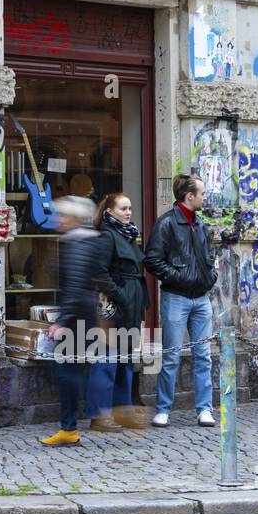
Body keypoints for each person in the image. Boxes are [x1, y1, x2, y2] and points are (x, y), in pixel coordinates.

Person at [143, 174, 218, 427]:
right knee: (171, 355)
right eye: (202, 193)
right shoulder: (166, 224)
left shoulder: (200, 225)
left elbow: (209, 257)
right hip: (175, 297)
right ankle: (163, 408)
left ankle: (204, 409)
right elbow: (152, 260)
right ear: (189, 196)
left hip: (202, 299)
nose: (205, 197)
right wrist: (179, 277)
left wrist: (211, 276)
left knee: (203, 356)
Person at [41, 196, 108, 447]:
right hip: (83, 313)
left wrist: (62, 321)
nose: (58, 220)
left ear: (73, 219)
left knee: (69, 372)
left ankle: (71, 427)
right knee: (74, 369)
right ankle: (77, 423)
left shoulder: (77, 243)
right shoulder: (84, 241)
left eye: (62, 215)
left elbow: (74, 286)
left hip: (77, 317)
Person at [84, 194, 151, 430]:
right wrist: (121, 296)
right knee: (107, 359)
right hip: (112, 307)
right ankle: (99, 414)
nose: (128, 212)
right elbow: (99, 273)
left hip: (132, 304)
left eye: (130, 208)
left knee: (127, 360)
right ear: (110, 211)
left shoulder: (129, 234)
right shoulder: (106, 236)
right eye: (123, 208)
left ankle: (122, 411)